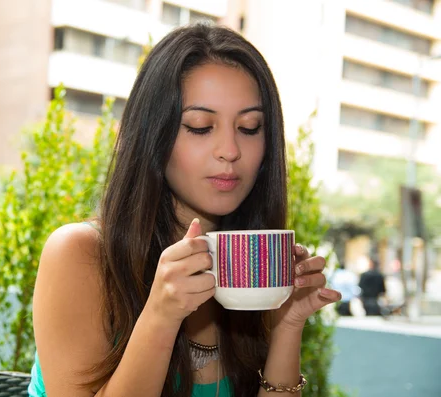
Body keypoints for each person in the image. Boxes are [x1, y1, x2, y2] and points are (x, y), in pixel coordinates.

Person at [29, 23, 341, 397]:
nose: (230, 150)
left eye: (249, 126)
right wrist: (161, 316)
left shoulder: (248, 271)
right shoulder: (80, 254)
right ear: (153, 136)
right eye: (199, 126)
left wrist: (287, 326)